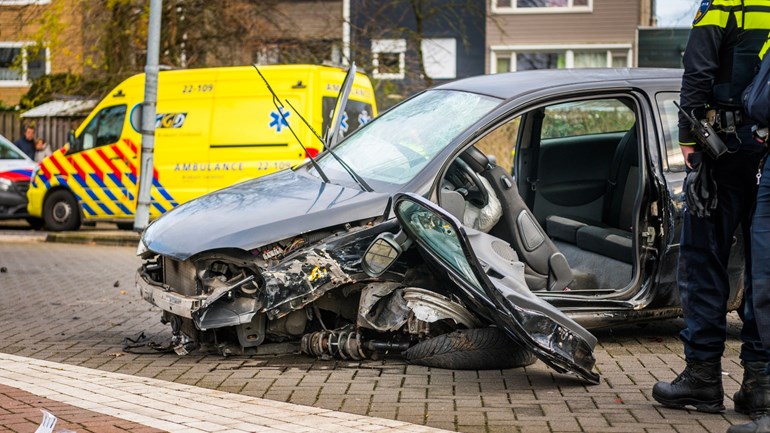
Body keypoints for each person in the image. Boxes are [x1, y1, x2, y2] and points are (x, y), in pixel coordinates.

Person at [651, 0, 770, 421]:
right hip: (764, 151)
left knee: (704, 259)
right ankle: (759, 384)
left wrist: (689, 139)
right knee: (763, 267)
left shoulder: (723, 4)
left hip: (724, 149)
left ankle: (702, 377)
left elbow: (698, 71)